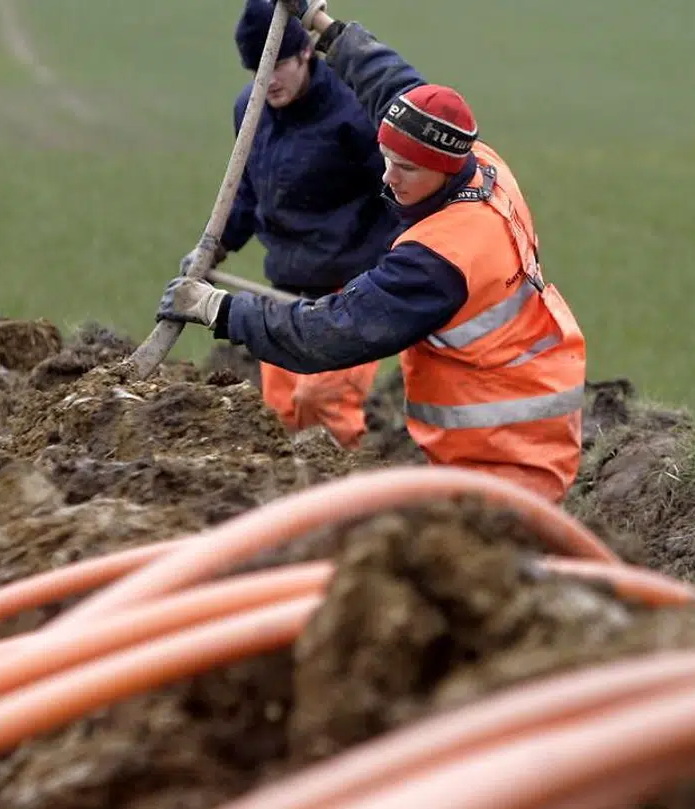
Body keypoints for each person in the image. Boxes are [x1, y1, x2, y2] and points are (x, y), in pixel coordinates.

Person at [158, 0, 588, 502]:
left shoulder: (436, 259)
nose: (388, 177)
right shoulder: (477, 159)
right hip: (507, 417)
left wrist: (217, 308)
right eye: (386, 158)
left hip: (505, 451)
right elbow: (394, 86)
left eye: (406, 168)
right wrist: (322, 25)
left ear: (443, 168)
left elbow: (329, 334)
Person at [186, 0, 399, 450]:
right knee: (281, 418)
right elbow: (246, 192)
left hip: (351, 292)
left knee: (323, 404)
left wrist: (402, 267)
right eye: (258, 69)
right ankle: (292, 493)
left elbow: (397, 192)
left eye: (278, 64)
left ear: (305, 52)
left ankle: (347, 491)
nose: (269, 80)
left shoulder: (352, 112)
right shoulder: (250, 110)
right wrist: (215, 248)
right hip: (285, 289)